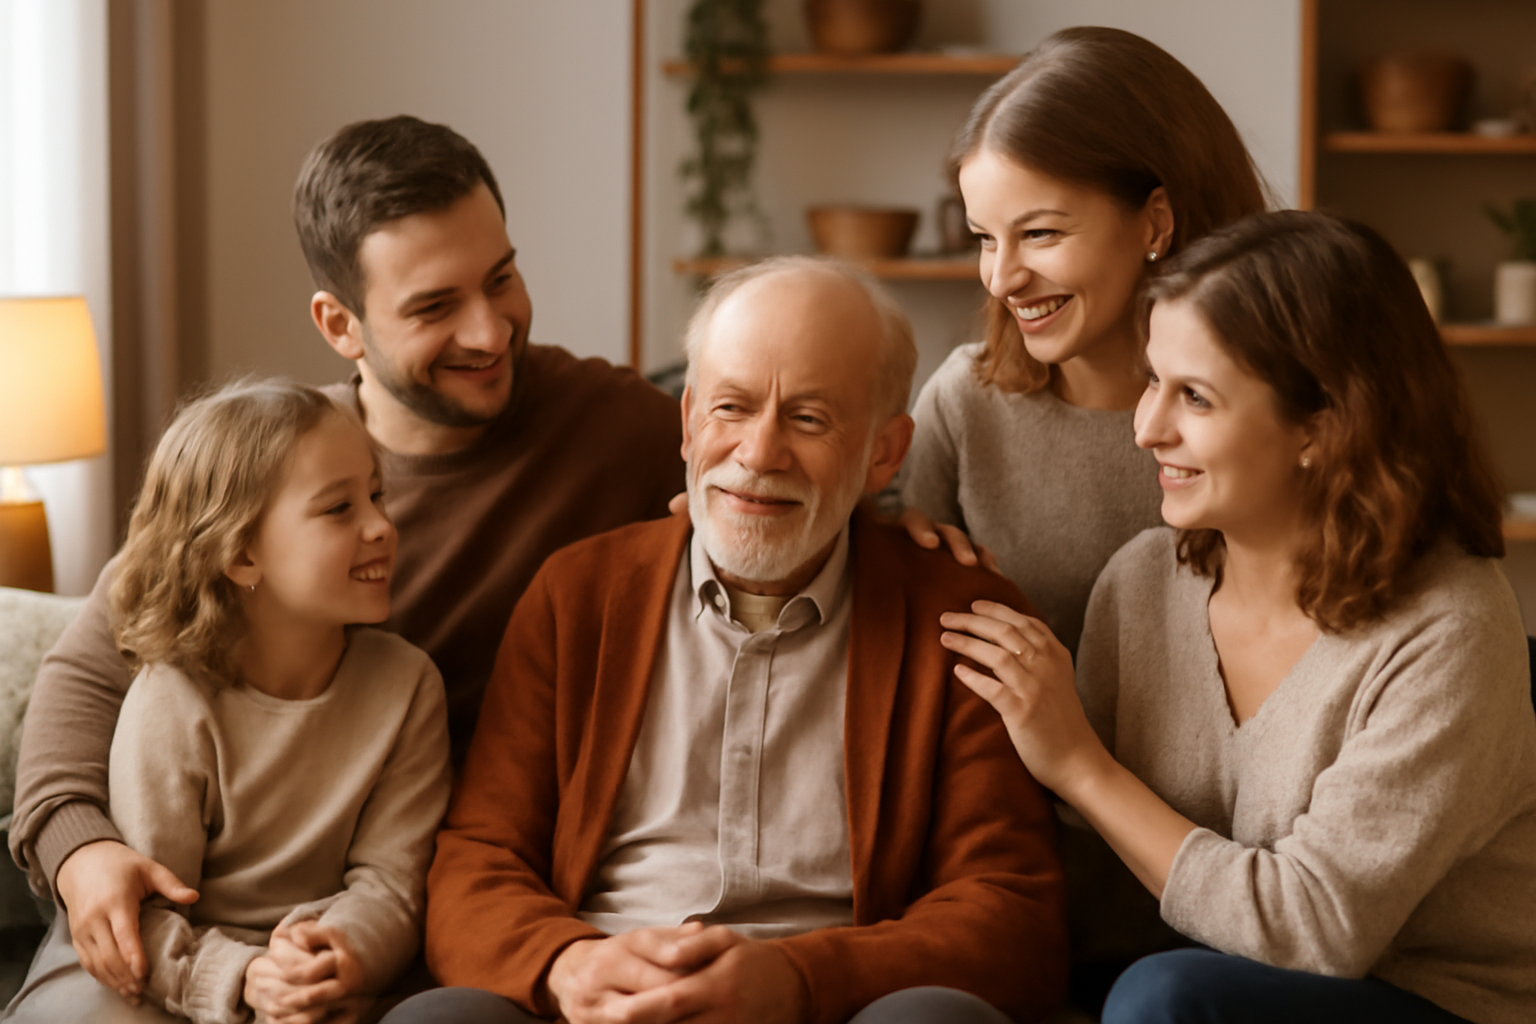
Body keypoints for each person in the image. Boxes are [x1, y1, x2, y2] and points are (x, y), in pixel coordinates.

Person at [9, 116, 685, 1007]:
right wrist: (82, 850)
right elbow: (89, 676)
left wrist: (912, 535)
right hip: (181, 913)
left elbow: (796, 491)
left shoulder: (620, 430)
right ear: (341, 324)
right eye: (434, 308)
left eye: (503, 278)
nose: (490, 331)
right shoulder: (269, 473)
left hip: (385, 905)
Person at [382, 257, 1069, 1024]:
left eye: (809, 418)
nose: (759, 454)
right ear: (687, 422)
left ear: (884, 452)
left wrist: (796, 980)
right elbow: (478, 859)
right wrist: (565, 964)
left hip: (833, 1008)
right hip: (603, 1004)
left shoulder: (962, 618)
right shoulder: (575, 596)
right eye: (732, 408)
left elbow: (1010, 913)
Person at [940, 211, 1536, 1024]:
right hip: (1184, 990)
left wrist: (1080, 764)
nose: (1148, 428)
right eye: (1153, 380)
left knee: (1167, 996)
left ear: (1321, 426)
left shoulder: (1448, 630)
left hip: (1425, 1002)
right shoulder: (1141, 586)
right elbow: (1095, 892)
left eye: (1196, 396)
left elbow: (1316, 929)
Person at [4, 380, 451, 1023]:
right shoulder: (171, 700)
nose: (381, 526)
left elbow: (392, 885)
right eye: (338, 510)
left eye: (377, 495)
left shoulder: (408, 687)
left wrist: (337, 952)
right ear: (241, 554)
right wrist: (242, 978)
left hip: (311, 981)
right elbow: (147, 909)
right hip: (166, 971)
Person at [898, 26, 1268, 656]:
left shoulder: (1274, 408)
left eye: (1040, 234)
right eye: (985, 238)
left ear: (1156, 219)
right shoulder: (964, 401)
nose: (1002, 278)